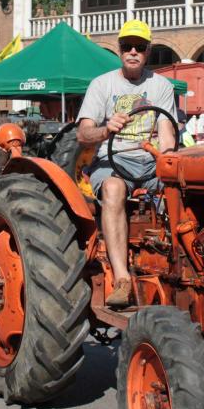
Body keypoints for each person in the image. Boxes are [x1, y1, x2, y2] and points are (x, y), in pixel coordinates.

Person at [77, 19, 177, 309]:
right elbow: (83, 134)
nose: (133, 52)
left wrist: (168, 163)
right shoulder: (102, 85)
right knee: (113, 188)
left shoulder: (161, 86)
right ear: (119, 50)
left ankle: (175, 266)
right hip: (112, 159)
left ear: (148, 52)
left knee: (180, 189)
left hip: (148, 161)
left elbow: (167, 131)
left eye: (140, 47)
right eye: (126, 46)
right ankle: (121, 280)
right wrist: (107, 128)